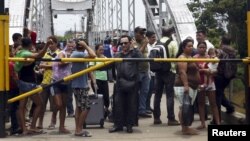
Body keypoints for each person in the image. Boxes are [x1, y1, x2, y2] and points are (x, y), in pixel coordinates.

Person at [15, 37, 51, 135]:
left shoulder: (19, 53)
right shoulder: (25, 54)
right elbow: (39, 54)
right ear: (30, 45)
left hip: (22, 81)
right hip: (29, 83)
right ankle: (33, 126)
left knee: (22, 107)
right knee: (39, 104)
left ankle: (24, 129)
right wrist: (47, 45)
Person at [109, 35, 142, 133]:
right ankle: (118, 125)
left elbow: (141, 59)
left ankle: (129, 125)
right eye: (121, 43)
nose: (123, 45)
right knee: (118, 105)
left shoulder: (134, 54)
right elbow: (110, 66)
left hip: (132, 83)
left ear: (129, 43)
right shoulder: (117, 55)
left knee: (131, 105)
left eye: (125, 43)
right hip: (120, 83)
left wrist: (135, 47)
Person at [153, 27, 179, 125]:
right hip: (169, 71)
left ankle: (156, 118)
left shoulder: (158, 42)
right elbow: (176, 56)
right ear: (171, 33)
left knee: (157, 95)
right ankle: (171, 119)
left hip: (158, 71)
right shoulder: (172, 43)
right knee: (169, 95)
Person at [174, 38, 200, 135]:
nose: (191, 47)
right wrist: (186, 85)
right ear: (183, 47)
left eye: (192, 45)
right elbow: (182, 72)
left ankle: (185, 128)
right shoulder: (182, 57)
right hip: (184, 86)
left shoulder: (190, 57)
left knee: (186, 107)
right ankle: (185, 129)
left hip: (192, 86)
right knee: (184, 107)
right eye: (189, 46)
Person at [71, 40, 96, 137]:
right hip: (80, 85)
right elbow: (93, 55)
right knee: (86, 107)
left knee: (79, 107)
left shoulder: (76, 53)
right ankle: (79, 129)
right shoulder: (78, 54)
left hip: (79, 84)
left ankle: (78, 129)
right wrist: (86, 45)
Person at [193, 42, 220, 129]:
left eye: (204, 47)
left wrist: (210, 71)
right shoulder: (194, 58)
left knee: (213, 103)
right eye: (200, 47)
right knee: (201, 103)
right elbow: (194, 71)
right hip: (199, 82)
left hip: (210, 82)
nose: (202, 49)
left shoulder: (210, 57)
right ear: (197, 48)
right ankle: (202, 123)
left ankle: (218, 123)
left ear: (206, 48)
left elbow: (216, 70)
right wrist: (205, 70)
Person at [214, 35, 236, 121]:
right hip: (229, 76)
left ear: (222, 41)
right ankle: (230, 107)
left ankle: (217, 119)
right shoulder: (233, 51)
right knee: (220, 93)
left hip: (220, 75)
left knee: (217, 96)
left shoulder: (219, 50)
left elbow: (215, 62)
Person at [134, 26, 151, 118]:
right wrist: (144, 44)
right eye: (141, 33)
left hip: (145, 70)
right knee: (136, 91)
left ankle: (142, 110)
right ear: (136, 34)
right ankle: (135, 110)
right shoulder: (133, 43)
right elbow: (138, 54)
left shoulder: (144, 41)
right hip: (137, 71)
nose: (143, 35)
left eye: (143, 33)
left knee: (145, 91)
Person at [89, 44, 110, 119]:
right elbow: (91, 71)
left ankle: (105, 112)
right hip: (97, 80)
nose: (101, 51)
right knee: (99, 98)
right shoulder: (93, 58)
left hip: (104, 80)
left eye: (102, 50)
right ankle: (100, 115)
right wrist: (94, 82)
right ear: (96, 50)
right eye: (100, 50)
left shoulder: (105, 58)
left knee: (106, 98)